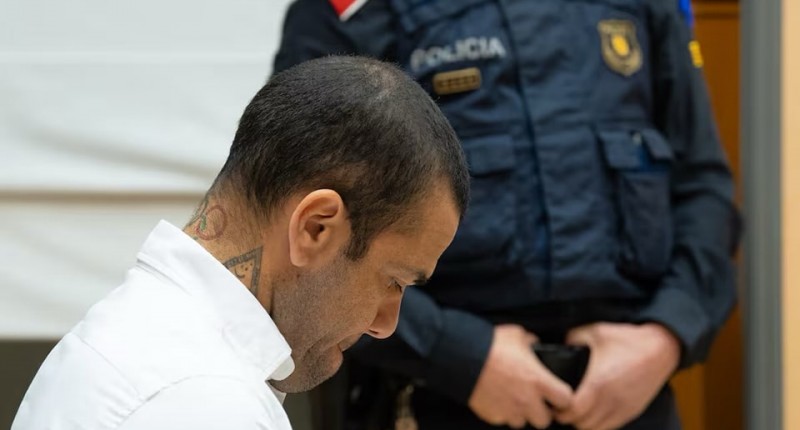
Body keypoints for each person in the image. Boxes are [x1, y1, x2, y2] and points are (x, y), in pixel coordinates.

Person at [273, 1, 741, 429]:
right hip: (434, 392)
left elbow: (703, 189)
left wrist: (664, 337)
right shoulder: (355, 9)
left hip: (630, 394)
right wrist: (458, 354)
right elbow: (306, 224)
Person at [10, 55, 470, 430]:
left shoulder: (142, 342)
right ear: (315, 228)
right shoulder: (205, 401)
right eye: (394, 281)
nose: (386, 325)